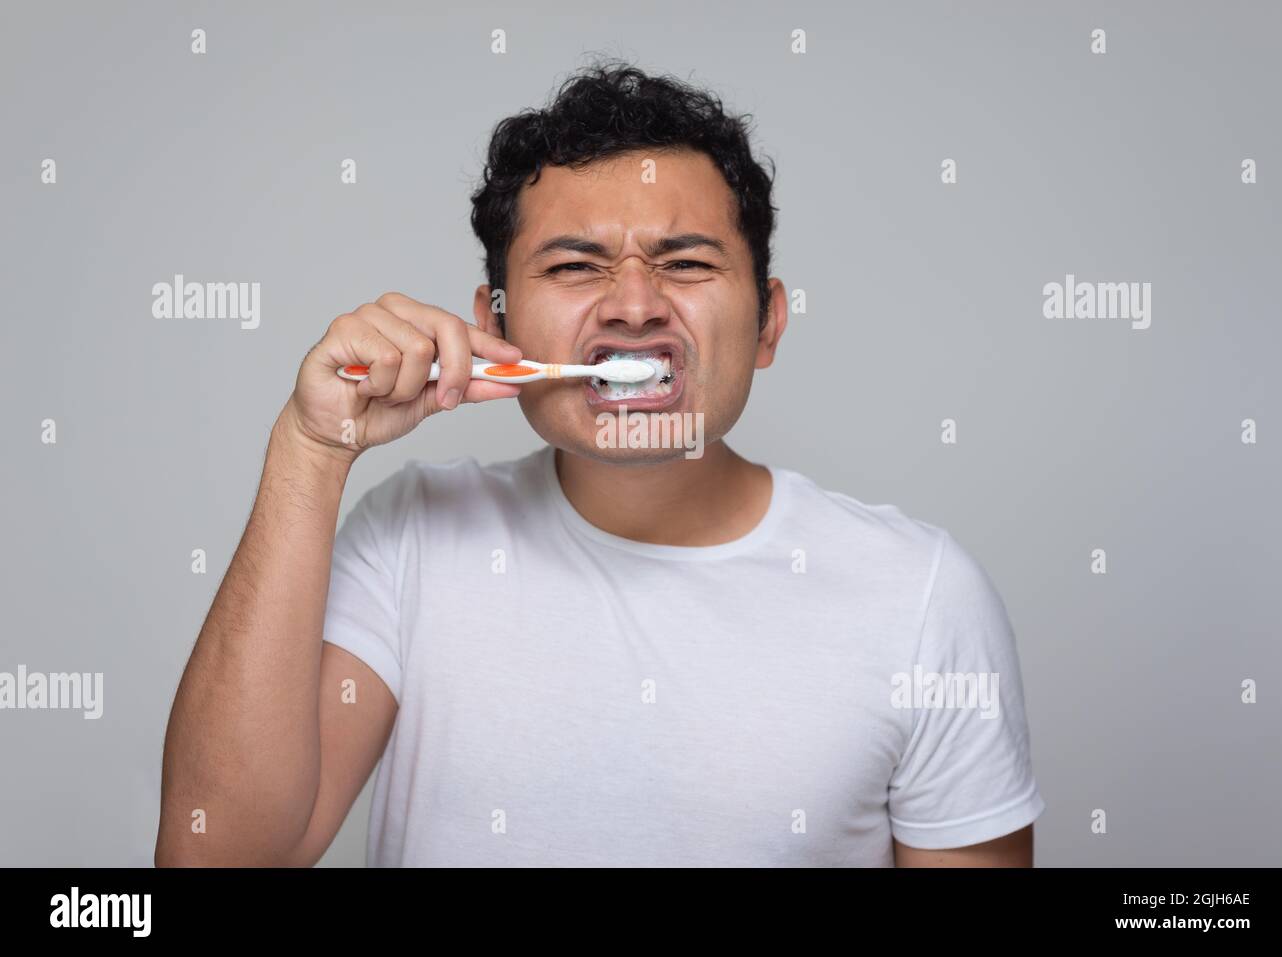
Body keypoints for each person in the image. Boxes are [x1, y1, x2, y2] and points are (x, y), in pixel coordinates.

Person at [156, 60, 1044, 867]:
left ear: (769, 321)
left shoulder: (922, 597)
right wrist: (310, 451)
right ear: (495, 328)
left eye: (685, 261)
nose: (632, 304)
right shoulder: (411, 539)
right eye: (576, 266)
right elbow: (215, 860)